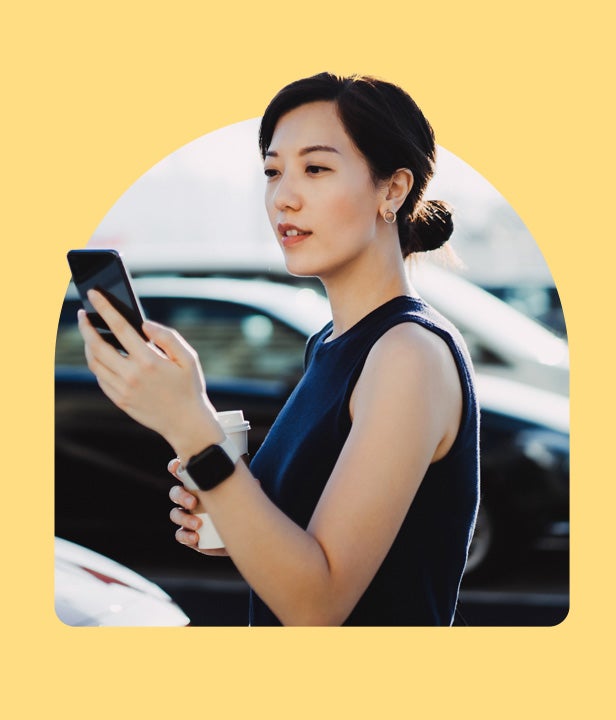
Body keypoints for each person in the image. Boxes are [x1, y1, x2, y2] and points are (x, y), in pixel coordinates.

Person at [77, 72, 480, 626]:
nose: (284, 197)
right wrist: (232, 520)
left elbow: (317, 605)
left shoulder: (408, 354)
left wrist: (192, 428)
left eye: (316, 168)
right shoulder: (332, 343)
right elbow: (306, 554)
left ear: (392, 189)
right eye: (272, 171)